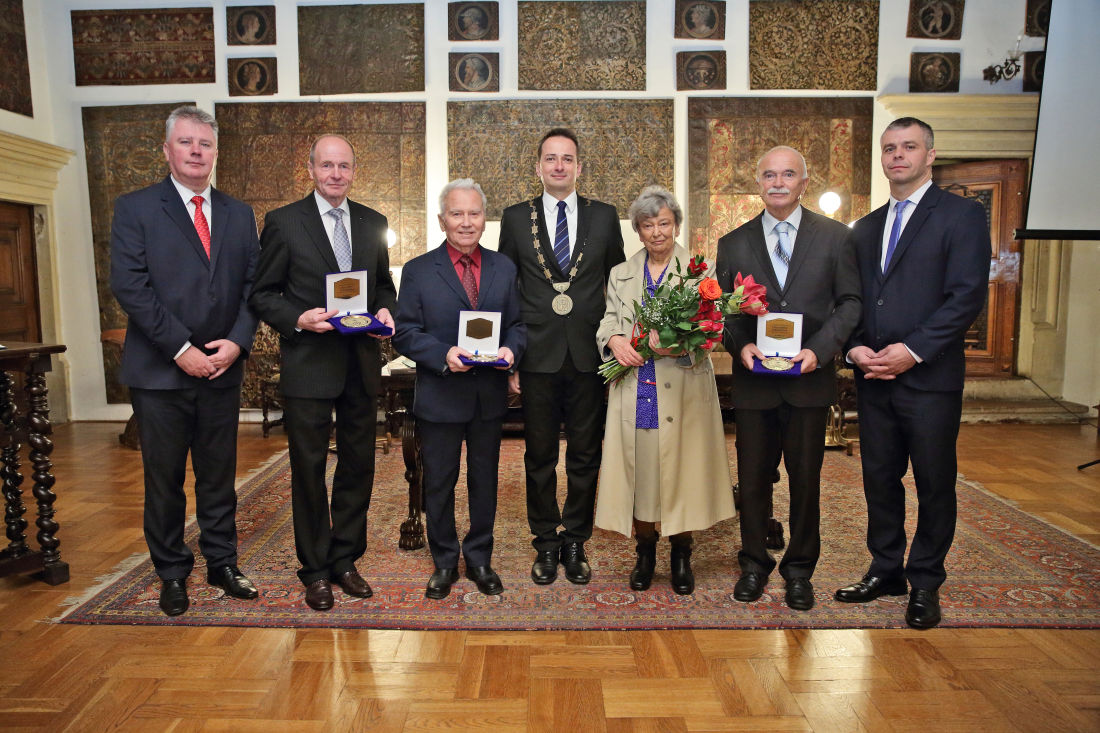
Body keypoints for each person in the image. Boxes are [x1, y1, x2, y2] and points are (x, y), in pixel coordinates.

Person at [834, 117, 989, 629]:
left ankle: (925, 580)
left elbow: (966, 296)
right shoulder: (866, 227)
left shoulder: (962, 215)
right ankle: (886, 570)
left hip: (929, 379)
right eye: (889, 148)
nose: (897, 155)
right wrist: (854, 348)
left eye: (909, 147)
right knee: (879, 479)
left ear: (930, 155)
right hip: (873, 377)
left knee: (933, 482)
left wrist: (913, 350)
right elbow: (853, 299)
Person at [109, 105, 260, 617]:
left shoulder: (238, 213)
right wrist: (181, 349)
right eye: (186, 142)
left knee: (219, 477)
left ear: (215, 152)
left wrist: (237, 342)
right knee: (165, 480)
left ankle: (222, 563)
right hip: (160, 373)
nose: (197, 151)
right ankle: (172, 571)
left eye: (205, 143)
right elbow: (131, 286)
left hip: (223, 367)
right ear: (167, 150)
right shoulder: (136, 208)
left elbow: (253, 286)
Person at [249, 134, 397, 612]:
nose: (336, 174)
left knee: (358, 465)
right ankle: (314, 570)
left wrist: (387, 310)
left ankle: (345, 560)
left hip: (359, 365)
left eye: (344, 166)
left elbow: (384, 286)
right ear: (310, 168)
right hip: (309, 363)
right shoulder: (284, 222)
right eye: (327, 165)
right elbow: (262, 293)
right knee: (309, 470)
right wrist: (298, 318)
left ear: (354, 171)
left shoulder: (373, 222)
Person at [715, 145, 861, 611]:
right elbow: (724, 312)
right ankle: (753, 564)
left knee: (805, 481)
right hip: (755, 383)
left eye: (788, 175)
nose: (778, 183)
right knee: (753, 481)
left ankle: (799, 571)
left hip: (808, 382)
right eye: (769, 175)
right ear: (758, 182)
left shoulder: (836, 237)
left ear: (804, 182)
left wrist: (820, 350)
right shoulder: (733, 243)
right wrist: (740, 345)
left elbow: (850, 303)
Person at [498, 128, 626, 586]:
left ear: (578, 167)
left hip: (590, 355)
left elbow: (618, 285)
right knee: (539, 455)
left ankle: (576, 541)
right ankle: (545, 543)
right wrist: (510, 357)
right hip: (536, 356)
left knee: (586, 455)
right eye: (550, 158)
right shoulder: (515, 218)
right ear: (538, 167)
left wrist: (619, 344)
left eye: (567, 159)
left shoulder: (604, 216)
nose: (558, 166)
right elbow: (506, 289)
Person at [595, 186, 735, 594]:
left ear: (676, 225)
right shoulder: (621, 273)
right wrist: (614, 340)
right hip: (637, 386)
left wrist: (681, 344)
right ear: (637, 230)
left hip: (684, 388)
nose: (656, 232)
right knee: (642, 473)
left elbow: (713, 329)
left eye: (664, 223)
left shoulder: (700, 273)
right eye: (647, 225)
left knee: (682, 473)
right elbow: (608, 320)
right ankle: (644, 552)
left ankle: (681, 554)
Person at [392, 179, 525, 600]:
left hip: (488, 395)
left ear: (485, 219)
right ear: (442, 220)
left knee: (485, 480)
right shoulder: (418, 270)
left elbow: (518, 324)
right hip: (441, 392)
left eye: (474, 213)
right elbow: (404, 332)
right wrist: (443, 353)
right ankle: (445, 561)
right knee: (439, 482)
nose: (466, 222)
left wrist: (512, 350)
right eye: (457, 214)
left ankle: (480, 558)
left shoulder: (504, 268)